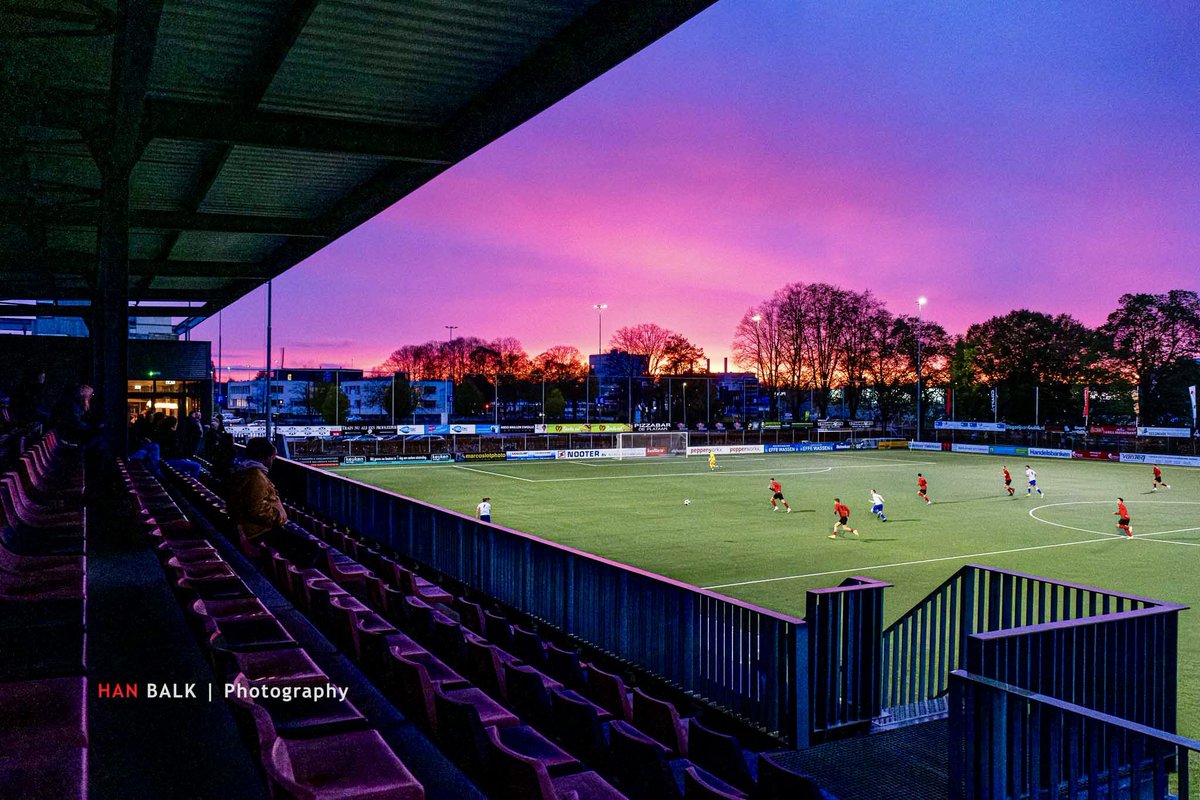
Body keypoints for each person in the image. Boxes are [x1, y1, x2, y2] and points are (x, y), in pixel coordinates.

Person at [226, 438, 320, 567]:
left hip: (251, 528)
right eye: (272, 457)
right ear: (265, 457)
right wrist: (278, 518)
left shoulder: (243, 471)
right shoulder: (255, 477)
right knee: (311, 548)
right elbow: (256, 509)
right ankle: (298, 580)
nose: (273, 460)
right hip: (259, 531)